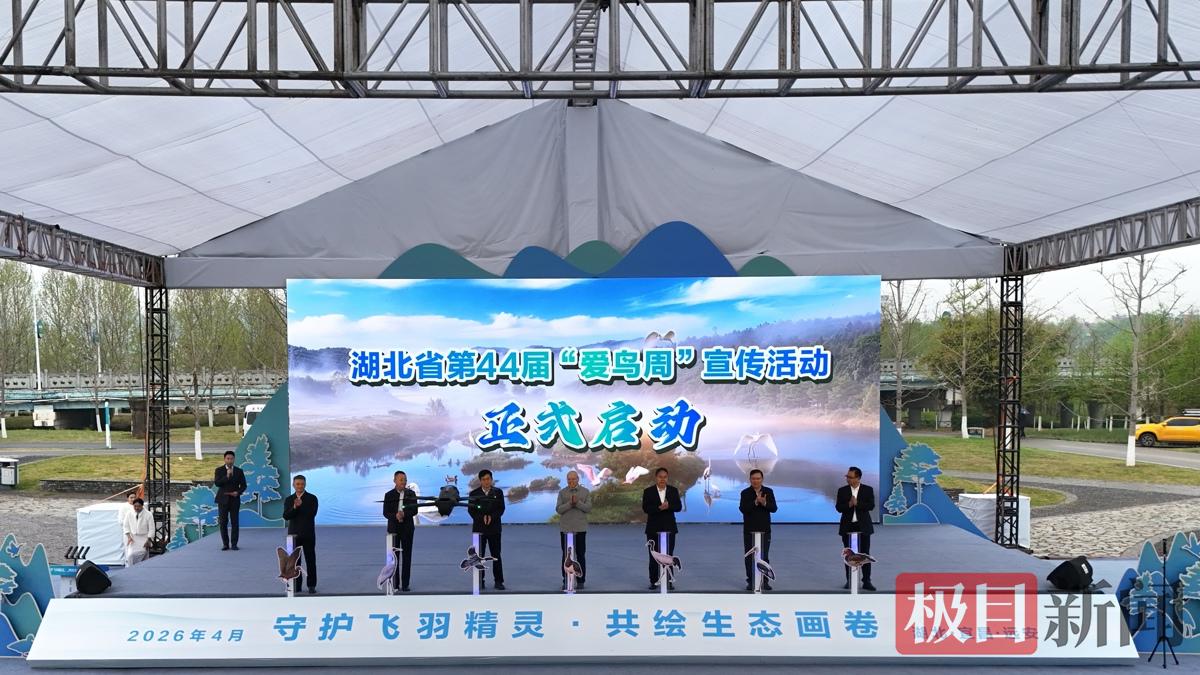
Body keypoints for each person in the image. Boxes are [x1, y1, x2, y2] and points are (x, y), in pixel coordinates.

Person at [641, 467, 682, 590]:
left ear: (667, 478)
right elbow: (646, 508)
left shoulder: (673, 490)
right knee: (653, 557)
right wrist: (659, 508)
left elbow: (678, 507)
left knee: (668, 556)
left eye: (665, 477)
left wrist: (668, 506)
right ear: (656, 477)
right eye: (660, 477)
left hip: (669, 528)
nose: (662, 479)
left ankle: (669, 582)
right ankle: (653, 581)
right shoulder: (648, 491)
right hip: (653, 528)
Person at [836, 466, 875, 591]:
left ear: (858, 478)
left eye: (850, 477)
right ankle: (849, 580)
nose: (847, 479)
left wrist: (858, 503)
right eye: (847, 476)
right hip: (848, 526)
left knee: (864, 554)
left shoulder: (868, 489)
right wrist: (849, 504)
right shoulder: (842, 490)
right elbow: (838, 508)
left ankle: (867, 581)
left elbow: (871, 506)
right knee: (849, 555)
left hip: (863, 526)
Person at [739, 468, 778, 591]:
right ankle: (751, 581)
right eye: (753, 479)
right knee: (749, 557)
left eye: (758, 478)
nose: (756, 481)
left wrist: (765, 503)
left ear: (762, 479)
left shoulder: (768, 491)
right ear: (750, 479)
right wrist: (755, 502)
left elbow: (774, 508)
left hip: (764, 530)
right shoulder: (745, 493)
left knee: (764, 556)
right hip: (749, 530)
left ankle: (764, 581)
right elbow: (743, 509)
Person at [468, 470, 506, 590]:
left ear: (491, 479)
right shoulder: (474, 493)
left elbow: (501, 509)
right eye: (484, 479)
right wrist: (482, 518)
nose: (486, 481)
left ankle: (499, 581)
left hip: (494, 528)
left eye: (488, 479)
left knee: (496, 555)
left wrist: (491, 517)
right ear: (480, 481)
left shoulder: (498, 492)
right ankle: (480, 581)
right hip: (479, 529)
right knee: (479, 556)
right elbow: (471, 511)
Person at [382, 470, 418, 591]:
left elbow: (414, 510)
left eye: (405, 480)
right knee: (394, 558)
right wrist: (395, 516)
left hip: (407, 529)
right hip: (394, 530)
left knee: (407, 557)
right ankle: (395, 584)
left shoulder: (411, 494)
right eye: (401, 479)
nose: (404, 482)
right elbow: (385, 513)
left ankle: (405, 585)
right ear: (395, 480)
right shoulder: (388, 495)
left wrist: (404, 514)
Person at [555, 470, 592, 590]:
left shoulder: (585, 492)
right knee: (566, 557)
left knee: (580, 555)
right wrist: (570, 504)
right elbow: (558, 509)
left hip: (580, 529)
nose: (571, 481)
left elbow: (588, 508)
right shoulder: (562, 492)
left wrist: (578, 503)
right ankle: (566, 580)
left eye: (573, 479)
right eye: (569, 479)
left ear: (578, 479)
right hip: (566, 529)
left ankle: (581, 581)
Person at [282, 475, 319, 594]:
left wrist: (300, 506)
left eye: (302, 484)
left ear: (305, 484)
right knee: (295, 562)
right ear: (293, 485)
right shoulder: (289, 499)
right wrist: (294, 507)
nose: (300, 486)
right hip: (293, 535)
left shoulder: (312, 498)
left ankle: (311, 585)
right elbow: (286, 516)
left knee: (310, 560)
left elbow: (312, 514)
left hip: (308, 534)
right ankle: (297, 586)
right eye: (297, 484)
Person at [213, 450, 246, 551]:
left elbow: (244, 485)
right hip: (223, 499)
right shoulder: (219, 470)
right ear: (224, 459)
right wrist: (226, 476)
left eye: (231, 459)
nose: (230, 460)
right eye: (228, 458)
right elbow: (217, 483)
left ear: (234, 459)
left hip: (234, 500)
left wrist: (238, 492)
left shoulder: (239, 471)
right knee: (223, 522)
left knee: (235, 522)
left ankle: (234, 544)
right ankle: (225, 544)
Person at [121, 498, 152, 566]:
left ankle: (142, 569)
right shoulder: (129, 513)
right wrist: (129, 537)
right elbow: (125, 526)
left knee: (143, 555)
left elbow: (152, 528)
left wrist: (148, 540)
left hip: (144, 538)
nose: (137, 508)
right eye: (135, 506)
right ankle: (131, 569)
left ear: (142, 506)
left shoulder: (148, 514)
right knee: (130, 555)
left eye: (138, 506)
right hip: (133, 538)